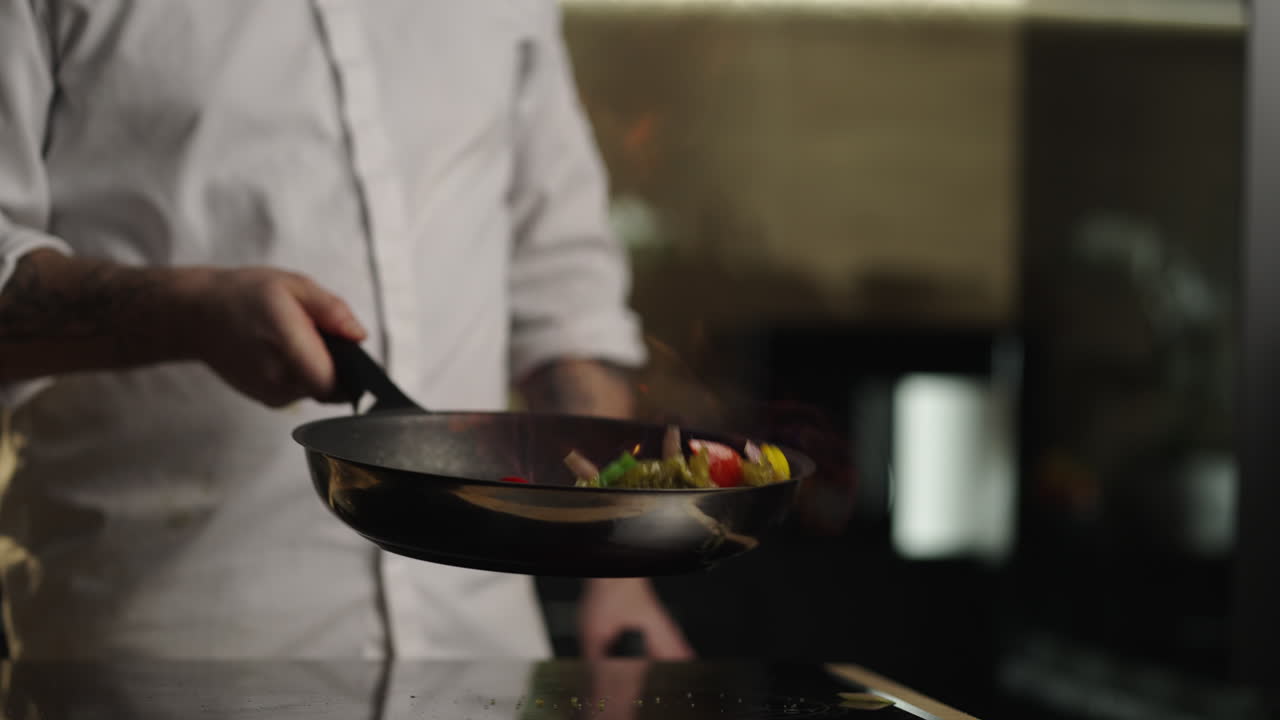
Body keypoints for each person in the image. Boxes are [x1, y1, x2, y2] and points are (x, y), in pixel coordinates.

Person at [0, 1, 693, 661]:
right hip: (174, 658)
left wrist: (617, 568)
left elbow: (563, 288)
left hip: (480, 657)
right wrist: (190, 309)